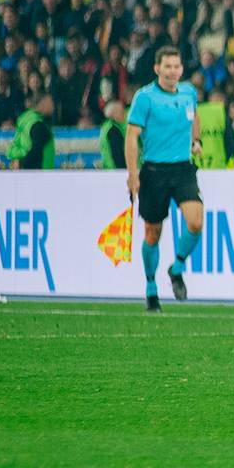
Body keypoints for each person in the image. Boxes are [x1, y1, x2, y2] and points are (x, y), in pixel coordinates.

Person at [125, 47, 205, 311]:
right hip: (154, 171)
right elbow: (132, 137)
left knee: (195, 221)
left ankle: (177, 267)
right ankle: (151, 287)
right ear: (157, 69)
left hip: (182, 168)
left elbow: (195, 118)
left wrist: (196, 141)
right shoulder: (145, 98)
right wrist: (133, 174)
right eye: (168, 66)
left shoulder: (188, 93)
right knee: (152, 233)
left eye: (177, 66)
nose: (173, 71)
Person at [7, 92, 55, 169]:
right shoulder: (39, 125)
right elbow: (36, 151)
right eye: (50, 102)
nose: (53, 105)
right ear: (41, 104)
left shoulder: (25, 120)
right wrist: (22, 164)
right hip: (40, 173)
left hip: (24, 171)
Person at [98, 99, 126, 169]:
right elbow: (118, 155)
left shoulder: (106, 126)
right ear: (114, 114)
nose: (124, 115)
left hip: (109, 169)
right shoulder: (113, 130)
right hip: (115, 171)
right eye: (121, 112)